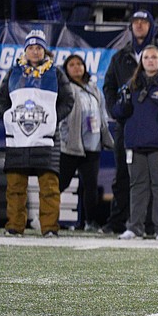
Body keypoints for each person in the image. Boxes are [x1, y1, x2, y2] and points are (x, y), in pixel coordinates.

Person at [0, 29, 73, 238]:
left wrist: (51, 118)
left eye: (39, 47)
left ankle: (49, 228)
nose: (35, 51)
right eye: (31, 47)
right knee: (15, 185)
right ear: (25, 50)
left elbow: (68, 100)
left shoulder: (56, 72)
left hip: (46, 140)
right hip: (17, 138)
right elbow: (0, 100)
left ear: (44, 51)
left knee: (49, 186)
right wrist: (9, 117)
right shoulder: (13, 72)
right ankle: (14, 226)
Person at [112, 45, 158, 242]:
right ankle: (135, 227)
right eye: (146, 57)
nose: (150, 61)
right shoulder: (132, 84)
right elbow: (118, 114)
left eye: (154, 57)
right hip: (136, 143)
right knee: (137, 186)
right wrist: (122, 102)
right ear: (141, 61)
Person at [58, 53, 112, 231]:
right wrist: (64, 136)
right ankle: (45, 217)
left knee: (90, 186)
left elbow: (102, 115)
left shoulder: (93, 88)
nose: (76, 67)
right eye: (72, 64)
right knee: (61, 183)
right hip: (71, 145)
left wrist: (106, 138)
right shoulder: (64, 88)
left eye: (79, 64)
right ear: (66, 69)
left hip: (92, 145)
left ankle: (90, 222)